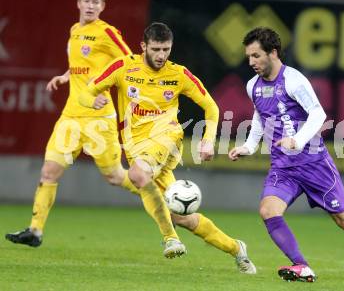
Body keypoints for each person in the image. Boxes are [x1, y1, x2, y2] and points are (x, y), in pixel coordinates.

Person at [77, 22, 257, 272]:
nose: (162, 55)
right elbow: (86, 91)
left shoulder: (179, 75)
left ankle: (170, 239)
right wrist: (91, 99)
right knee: (179, 216)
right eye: (156, 49)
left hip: (167, 138)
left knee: (137, 174)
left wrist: (207, 138)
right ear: (143, 46)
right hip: (136, 146)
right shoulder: (123, 67)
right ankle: (236, 248)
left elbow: (211, 106)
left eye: (166, 49)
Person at [228, 27, 344, 282]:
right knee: (268, 210)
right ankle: (301, 265)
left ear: (273, 53)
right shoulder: (252, 86)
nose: (251, 62)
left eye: (256, 56)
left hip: (314, 164)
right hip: (283, 167)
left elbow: (318, 114)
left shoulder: (294, 80)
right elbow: (259, 116)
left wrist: (297, 140)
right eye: (249, 57)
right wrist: (249, 146)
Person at [5, 0, 142, 248]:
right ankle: (35, 230)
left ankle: (158, 194)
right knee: (48, 172)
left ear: (102, 7)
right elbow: (83, 65)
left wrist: (111, 86)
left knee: (115, 176)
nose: (90, 5)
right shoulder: (74, 30)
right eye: (87, 1)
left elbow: (131, 62)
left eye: (96, 2)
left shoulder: (107, 33)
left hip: (99, 119)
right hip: (71, 118)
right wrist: (66, 75)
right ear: (78, 3)